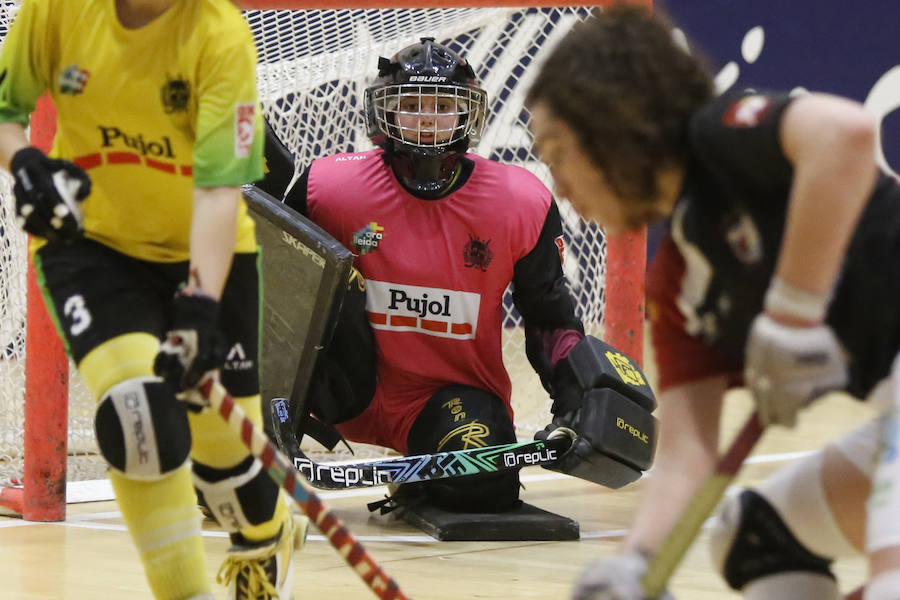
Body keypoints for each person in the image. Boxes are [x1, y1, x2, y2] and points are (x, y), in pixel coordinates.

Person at [526, 4, 900, 600]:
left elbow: (846, 134)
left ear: (611, 122)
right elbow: (685, 457)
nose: (561, 188)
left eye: (558, 154)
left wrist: (791, 313)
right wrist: (634, 564)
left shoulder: (720, 135)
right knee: (754, 537)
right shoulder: (680, 283)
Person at [261, 38, 657, 523]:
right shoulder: (327, 188)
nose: (427, 119)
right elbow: (275, 297)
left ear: (468, 114)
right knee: (233, 465)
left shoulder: (520, 203)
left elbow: (550, 317)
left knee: (482, 486)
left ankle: (414, 467)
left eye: (443, 106)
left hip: (445, 396)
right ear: (382, 113)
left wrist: (574, 397)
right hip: (337, 388)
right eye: (411, 105)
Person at [0, 0, 305, 598]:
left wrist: (199, 305)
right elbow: (5, 112)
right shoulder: (56, 11)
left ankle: (265, 537)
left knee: (224, 457)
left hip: (206, 249)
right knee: (138, 413)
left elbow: (219, 192)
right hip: (92, 245)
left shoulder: (218, 33)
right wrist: (27, 161)